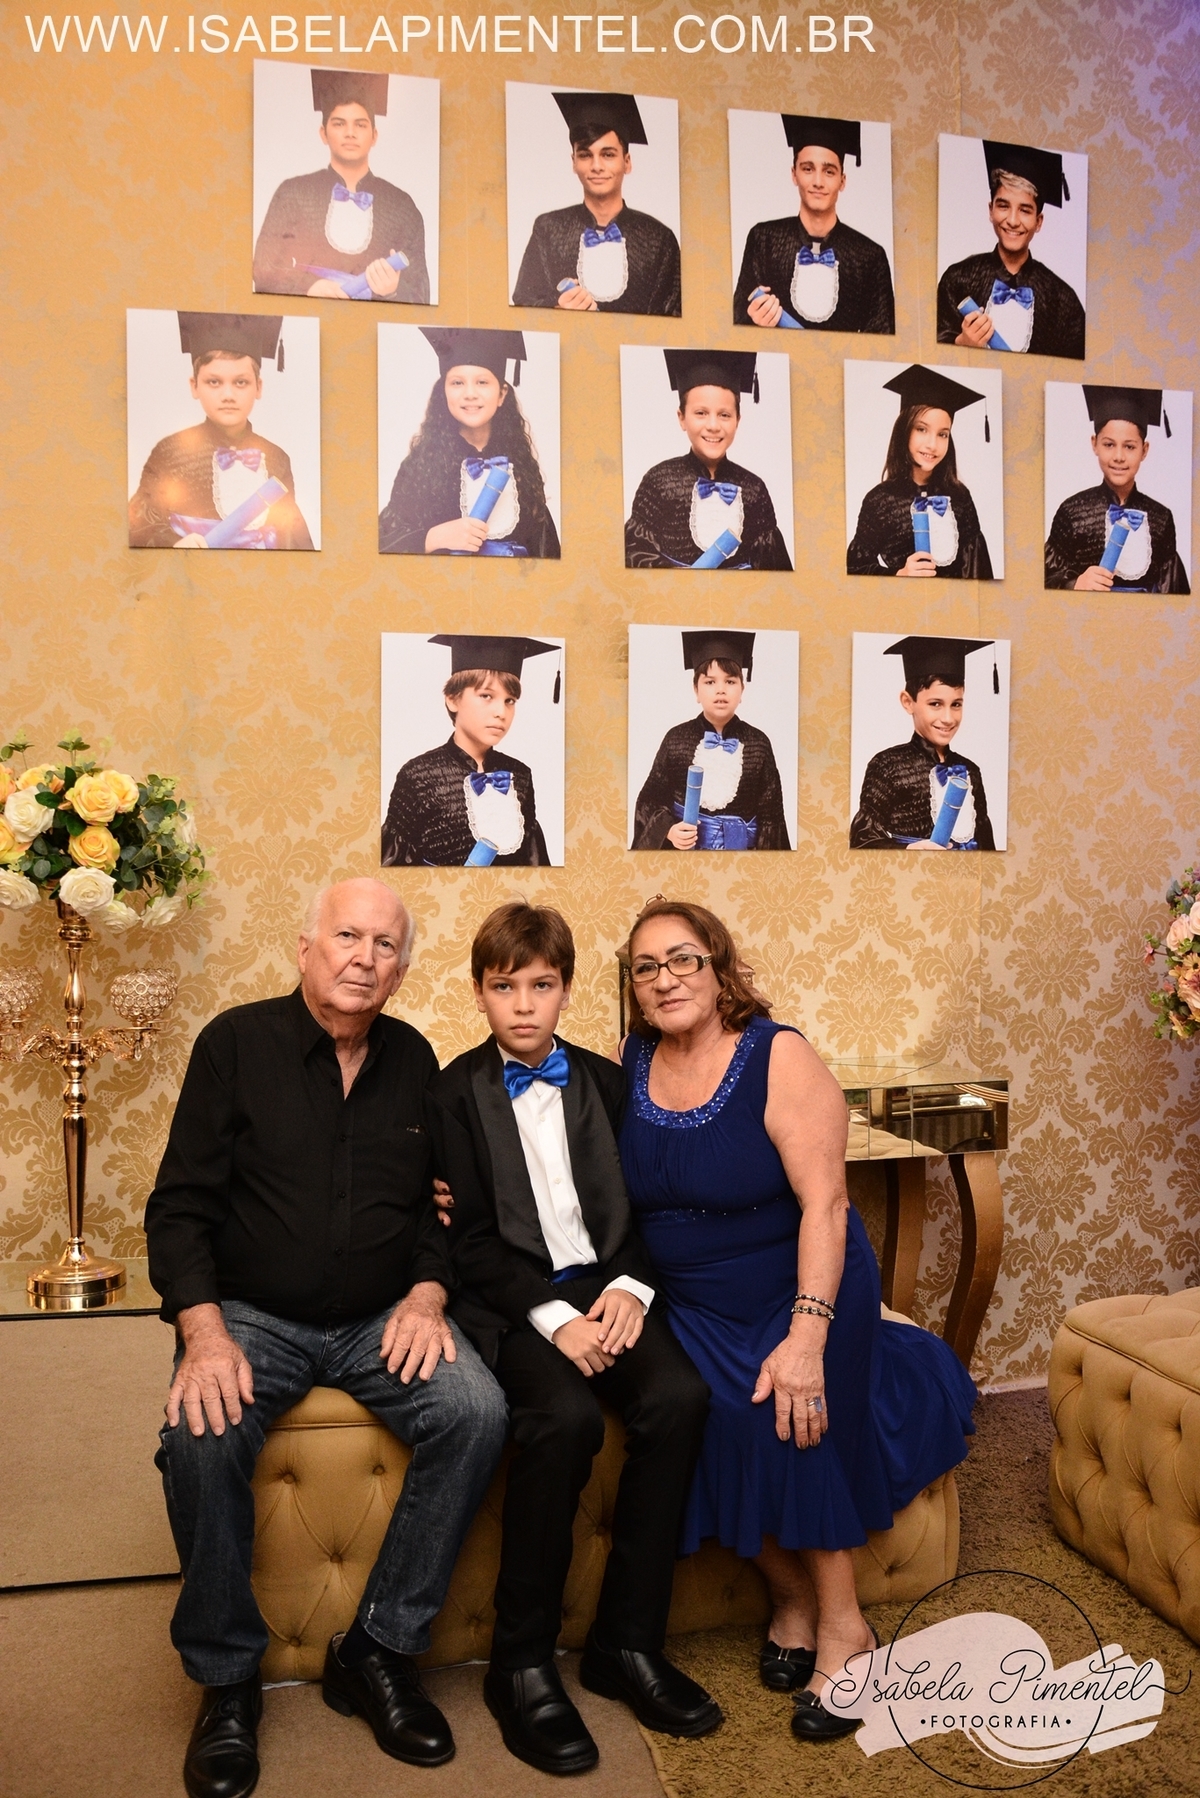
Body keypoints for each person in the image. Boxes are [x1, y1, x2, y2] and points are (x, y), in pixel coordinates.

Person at [146, 879, 508, 1798]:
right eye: (347, 936)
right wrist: (203, 1332)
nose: (364, 958)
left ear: (402, 970)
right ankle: (228, 1677)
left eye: (385, 945)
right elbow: (179, 1208)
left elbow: (441, 1209)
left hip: (382, 1316)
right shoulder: (234, 1045)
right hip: (252, 1315)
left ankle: (378, 1647)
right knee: (199, 1435)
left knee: (476, 1410)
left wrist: (427, 1294)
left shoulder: (415, 1057)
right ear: (305, 949)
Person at [614, 899, 976, 1743]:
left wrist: (807, 1337)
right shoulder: (631, 1059)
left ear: (719, 967)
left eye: (683, 959)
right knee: (699, 1414)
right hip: (691, 1301)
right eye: (646, 967)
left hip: (800, 1287)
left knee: (786, 1412)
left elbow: (828, 1205)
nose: (665, 979)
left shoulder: (779, 1056)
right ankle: (790, 1600)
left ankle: (845, 1629)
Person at [426, 903, 720, 1775]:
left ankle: (627, 1643)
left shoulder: (608, 1081)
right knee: (564, 1419)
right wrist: (556, 1323)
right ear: (478, 992)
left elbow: (645, 1205)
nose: (524, 1005)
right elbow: (470, 1242)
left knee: (679, 1398)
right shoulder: (451, 1093)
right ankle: (520, 1663)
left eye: (542, 985)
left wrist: (629, 1289)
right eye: (504, 987)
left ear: (567, 989)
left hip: (607, 1283)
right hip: (514, 1300)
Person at [129, 312, 313, 551]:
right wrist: (174, 543)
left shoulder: (277, 458)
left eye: (241, 382)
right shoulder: (169, 452)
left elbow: (291, 537)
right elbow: (139, 525)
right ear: (194, 386)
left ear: (258, 387)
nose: (228, 395)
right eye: (214, 382)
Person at [379, 329, 560, 559]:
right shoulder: (421, 466)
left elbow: (545, 548)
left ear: (502, 394)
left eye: (482, 382)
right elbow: (384, 541)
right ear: (444, 392)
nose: (470, 394)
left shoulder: (522, 467)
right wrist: (433, 537)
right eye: (457, 383)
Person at [253, 69, 430, 304]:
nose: (350, 133)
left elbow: (421, 292)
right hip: (307, 316)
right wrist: (308, 286)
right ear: (323, 133)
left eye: (360, 125)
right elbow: (263, 268)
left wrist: (392, 290)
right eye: (339, 124)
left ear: (374, 136)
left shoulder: (401, 206)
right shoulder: (293, 193)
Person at [381, 635, 556, 867]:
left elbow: (534, 865)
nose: (501, 712)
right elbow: (392, 868)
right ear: (453, 699)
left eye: (510, 700)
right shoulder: (417, 774)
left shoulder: (520, 775)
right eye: (486, 696)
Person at [511, 91, 681, 316]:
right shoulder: (548, 229)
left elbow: (674, 314)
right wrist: (557, 308)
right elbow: (523, 302)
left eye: (608, 155)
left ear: (627, 162)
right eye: (585, 155)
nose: (597, 166)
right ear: (573, 162)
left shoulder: (659, 239)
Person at [625, 350, 792, 571]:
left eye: (724, 415)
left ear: (738, 420)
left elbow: (776, 574)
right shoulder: (659, 482)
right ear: (682, 418)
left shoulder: (754, 490)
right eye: (701, 413)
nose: (713, 426)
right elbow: (634, 561)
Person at [733, 115, 894, 335]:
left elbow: (883, 341)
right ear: (794, 174)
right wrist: (753, 322)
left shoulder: (869, 256)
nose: (818, 182)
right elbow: (735, 326)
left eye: (829, 171)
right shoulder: (763, 240)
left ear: (842, 180)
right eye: (808, 169)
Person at [631, 631, 791, 851]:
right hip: (685, 857)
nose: (721, 690)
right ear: (696, 690)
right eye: (710, 682)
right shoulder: (676, 740)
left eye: (730, 681)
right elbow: (649, 800)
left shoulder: (758, 744)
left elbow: (772, 817)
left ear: (742, 690)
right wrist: (669, 830)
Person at [936, 140, 1085, 360]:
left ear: (1039, 221)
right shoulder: (957, 280)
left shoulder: (1063, 300)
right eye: (1003, 206)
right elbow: (929, 354)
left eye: (1025, 210)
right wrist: (961, 344)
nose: (1013, 221)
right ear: (991, 210)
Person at [846, 364, 994, 580]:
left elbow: (977, 572)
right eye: (922, 429)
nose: (932, 445)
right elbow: (854, 569)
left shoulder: (960, 497)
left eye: (942, 434)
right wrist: (899, 574)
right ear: (904, 431)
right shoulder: (880, 500)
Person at [850, 637, 998, 850]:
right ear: (908, 702)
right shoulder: (887, 765)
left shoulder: (970, 770)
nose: (948, 718)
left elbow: (987, 844)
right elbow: (862, 842)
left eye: (956, 704)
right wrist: (910, 850)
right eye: (935, 704)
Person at [1044, 384, 1190, 593]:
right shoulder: (1072, 512)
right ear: (1094, 444)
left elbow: (1174, 594)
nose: (1119, 457)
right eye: (1109, 444)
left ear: (1144, 450)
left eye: (1129, 446)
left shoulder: (1161, 518)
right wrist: (1074, 584)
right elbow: (1042, 582)